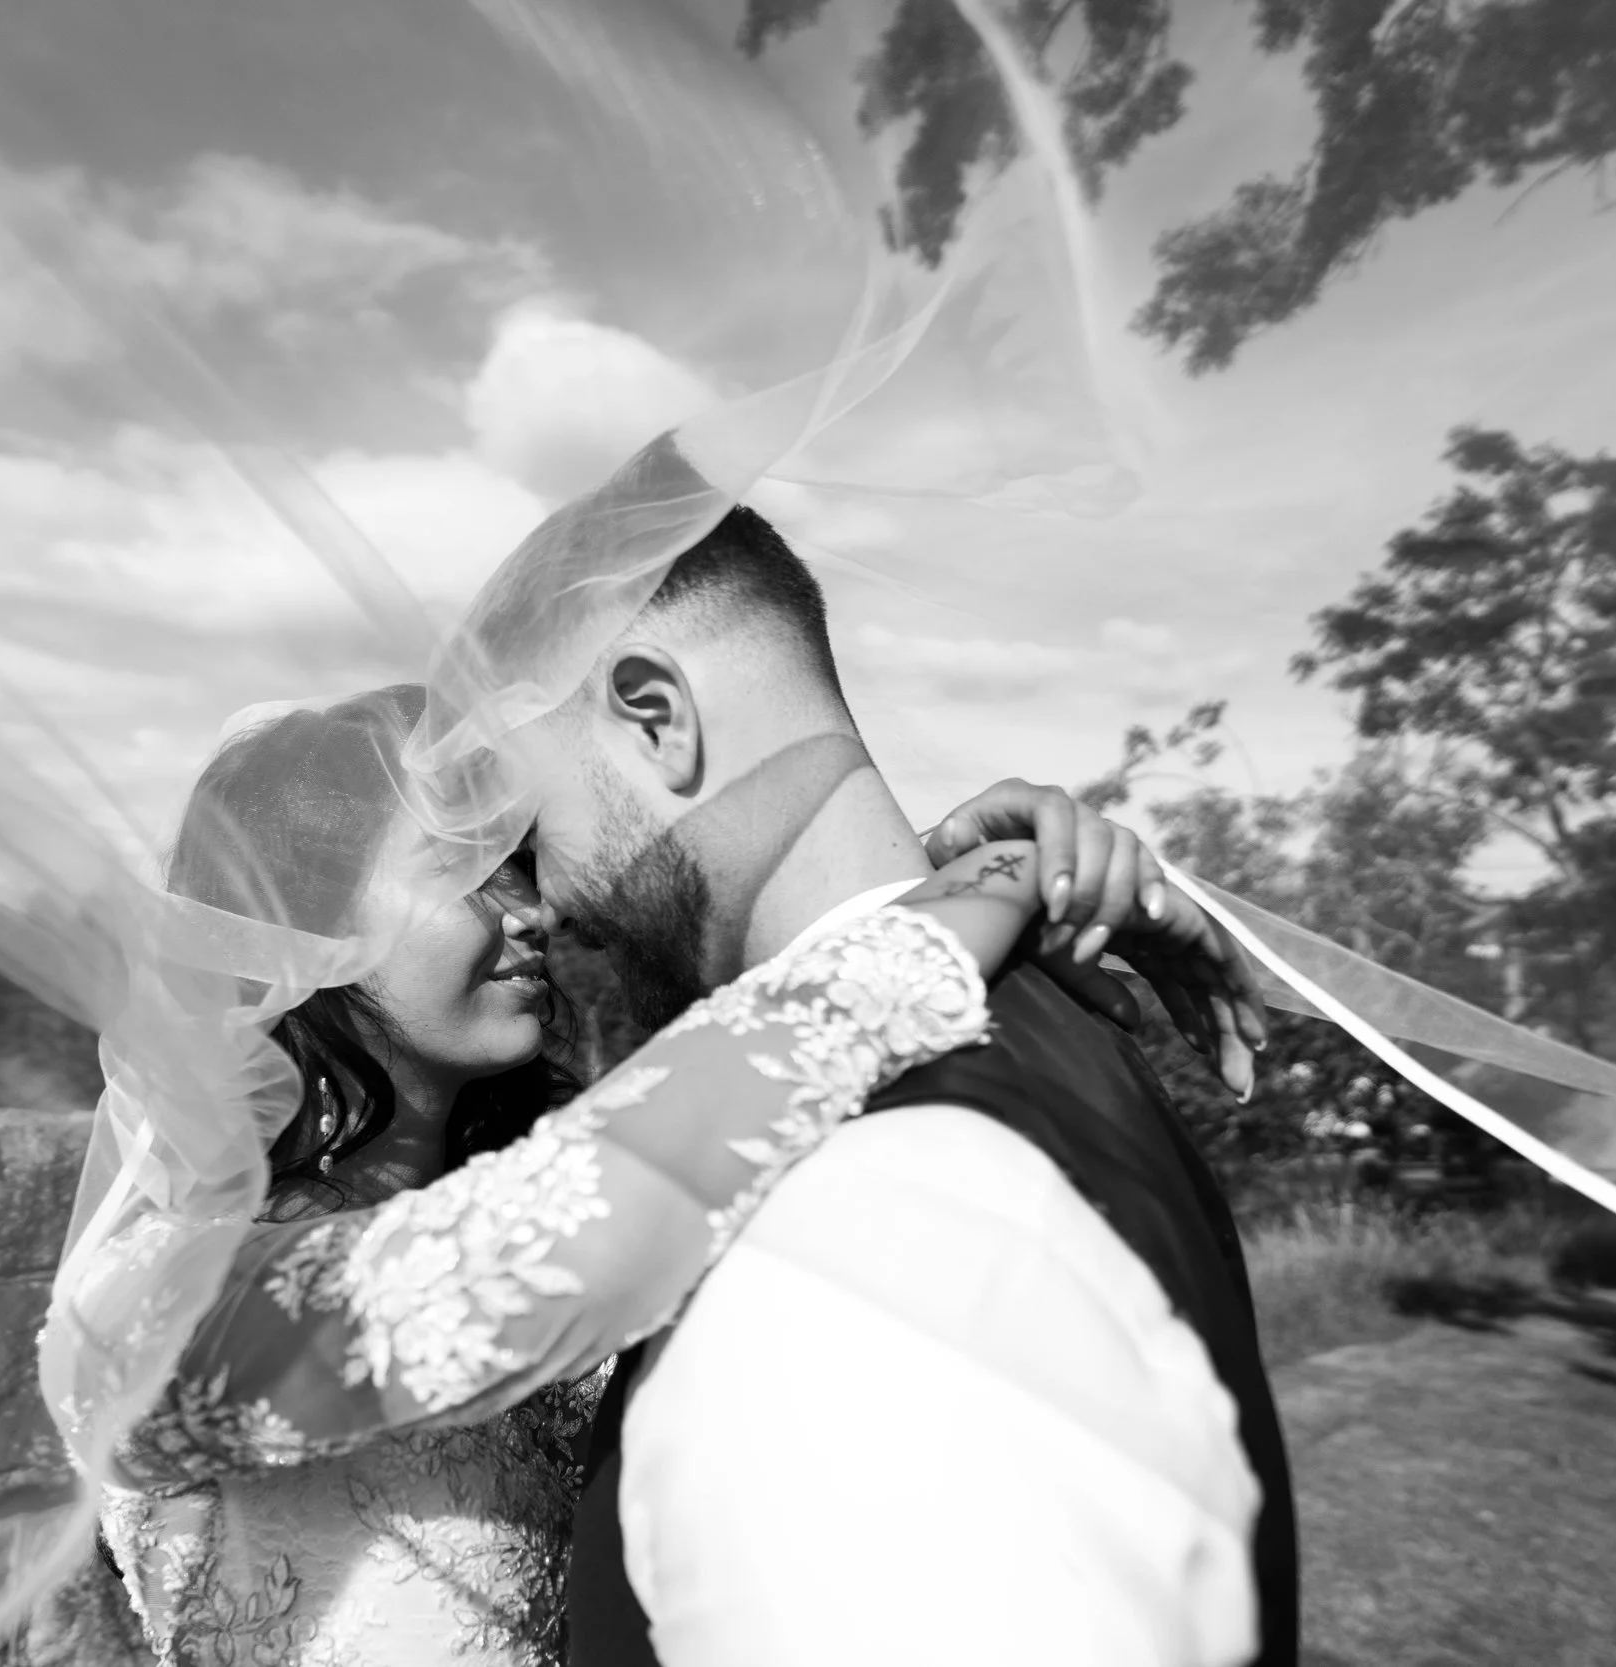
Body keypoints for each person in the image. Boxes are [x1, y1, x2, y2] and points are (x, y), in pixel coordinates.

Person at [98, 680, 1269, 1666]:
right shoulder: (155, 1285)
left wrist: (917, 875)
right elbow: (542, 1245)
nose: (532, 913)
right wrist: (967, 895)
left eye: (523, 866)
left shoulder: (540, 1158)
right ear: (294, 927)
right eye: (469, 874)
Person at [526, 505, 1298, 1667]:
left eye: (532, 816)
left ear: (656, 717)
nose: (538, 894)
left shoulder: (849, 1217)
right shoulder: (1037, 1010)